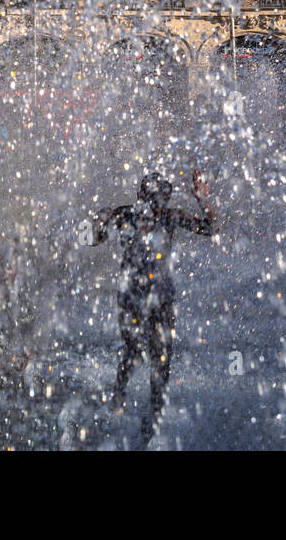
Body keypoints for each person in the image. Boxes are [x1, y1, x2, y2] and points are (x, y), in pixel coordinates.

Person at [90, 169, 216, 444]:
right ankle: (122, 399)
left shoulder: (166, 216)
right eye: (152, 202)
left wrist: (202, 199)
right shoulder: (128, 214)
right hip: (136, 295)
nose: (154, 211)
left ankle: (148, 415)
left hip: (157, 297)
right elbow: (94, 238)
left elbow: (209, 228)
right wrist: (99, 220)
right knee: (137, 351)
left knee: (157, 358)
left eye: (159, 202)